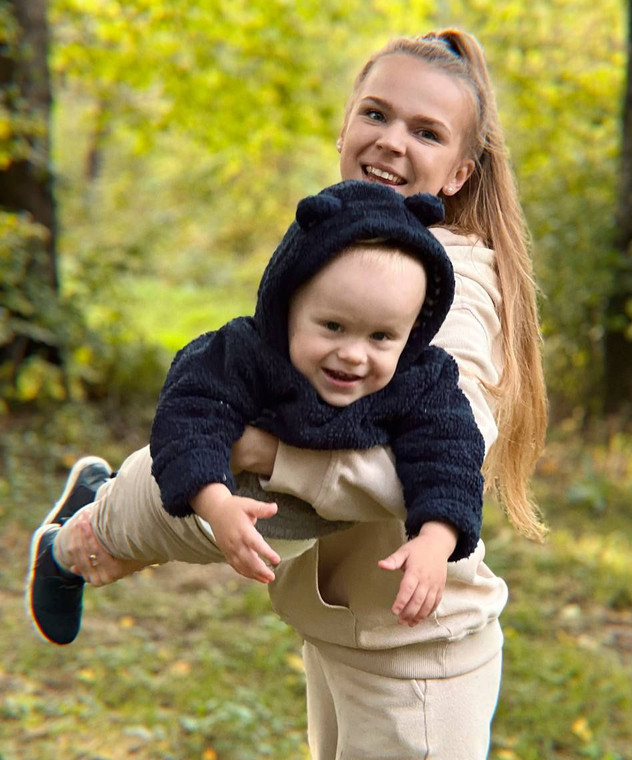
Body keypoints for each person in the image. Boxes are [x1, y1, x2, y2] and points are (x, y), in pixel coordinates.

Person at [29, 28, 548, 760]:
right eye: (375, 113)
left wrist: (274, 454)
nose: (390, 139)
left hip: (417, 653)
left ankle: (87, 533)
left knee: (247, 456)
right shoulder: (339, 236)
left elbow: (449, 459)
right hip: (344, 623)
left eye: (426, 131)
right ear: (344, 125)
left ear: (459, 173)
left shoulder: (459, 291)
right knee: (208, 430)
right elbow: (235, 376)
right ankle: (88, 531)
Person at [28, 179, 485, 646]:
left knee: (134, 551)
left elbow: (450, 453)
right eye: (332, 326)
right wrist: (215, 503)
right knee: (112, 539)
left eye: (381, 337)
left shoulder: (420, 382)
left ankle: (93, 493)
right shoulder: (246, 353)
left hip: (263, 527)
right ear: (288, 307)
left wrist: (437, 537)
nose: (353, 354)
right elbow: (190, 414)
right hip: (198, 492)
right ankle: (58, 554)